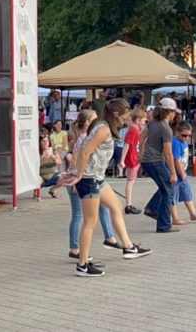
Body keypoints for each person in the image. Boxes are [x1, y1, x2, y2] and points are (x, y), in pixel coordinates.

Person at [62, 98, 152, 277]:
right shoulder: (103, 129)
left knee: (116, 205)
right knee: (90, 222)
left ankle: (128, 247)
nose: (127, 119)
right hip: (89, 179)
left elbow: (82, 150)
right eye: (125, 116)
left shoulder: (102, 125)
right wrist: (78, 174)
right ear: (116, 114)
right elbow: (84, 150)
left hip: (97, 177)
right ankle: (82, 265)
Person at [66, 109, 122, 260]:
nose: (99, 121)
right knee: (82, 218)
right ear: (87, 123)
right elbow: (79, 157)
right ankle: (76, 251)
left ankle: (110, 238)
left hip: (90, 178)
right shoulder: (87, 137)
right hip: (83, 180)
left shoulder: (90, 135)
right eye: (94, 118)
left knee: (106, 208)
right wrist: (78, 175)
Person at [139, 98, 181, 233]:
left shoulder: (152, 123)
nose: (175, 115)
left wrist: (141, 153)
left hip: (147, 161)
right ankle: (163, 224)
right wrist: (174, 173)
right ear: (169, 112)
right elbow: (168, 154)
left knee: (165, 188)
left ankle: (153, 208)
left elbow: (142, 136)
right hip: (155, 161)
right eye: (174, 112)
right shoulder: (166, 128)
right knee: (169, 189)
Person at [172, 121, 196, 222]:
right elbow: (176, 159)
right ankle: (175, 217)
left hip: (183, 171)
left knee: (187, 193)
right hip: (176, 172)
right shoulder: (175, 143)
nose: (186, 138)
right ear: (177, 133)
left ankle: (192, 213)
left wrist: (183, 173)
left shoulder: (184, 142)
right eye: (184, 135)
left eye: (188, 136)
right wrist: (181, 173)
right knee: (173, 196)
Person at [118, 108, 147, 214]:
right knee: (130, 182)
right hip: (132, 158)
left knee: (131, 181)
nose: (144, 122)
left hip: (134, 157)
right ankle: (128, 205)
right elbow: (126, 145)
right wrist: (122, 160)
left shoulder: (134, 130)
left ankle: (129, 204)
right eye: (143, 120)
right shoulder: (133, 130)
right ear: (138, 120)